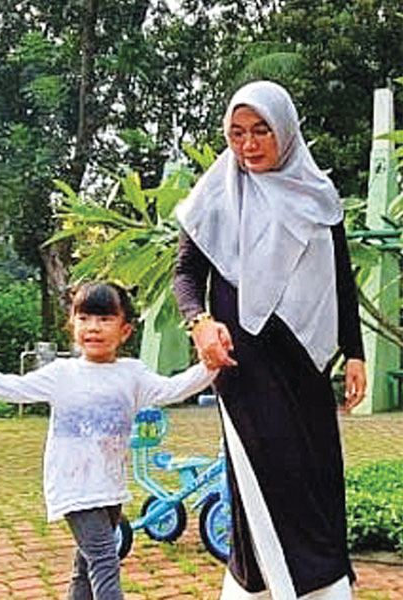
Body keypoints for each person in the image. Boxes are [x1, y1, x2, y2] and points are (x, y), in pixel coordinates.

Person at [173, 80, 366, 599]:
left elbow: (340, 280)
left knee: (316, 473)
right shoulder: (216, 194)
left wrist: (354, 353)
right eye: (236, 133)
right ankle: (286, 585)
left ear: (286, 130)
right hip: (244, 362)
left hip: (306, 361)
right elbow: (186, 274)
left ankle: (291, 587)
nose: (248, 144)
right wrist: (199, 321)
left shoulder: (318, 194)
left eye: (261, 131)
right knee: (266, 472)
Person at [0, 282, 217, 600]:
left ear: (125, 331)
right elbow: (8, 387)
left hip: (110, 487)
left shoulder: (132, 374)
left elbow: (173, 389)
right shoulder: (62, 374)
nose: (93, 327)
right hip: (74, 487)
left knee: (86, 567)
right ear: (71, 324)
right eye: (84, 318)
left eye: (105, 319)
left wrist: (211, 366)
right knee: (104, 559)